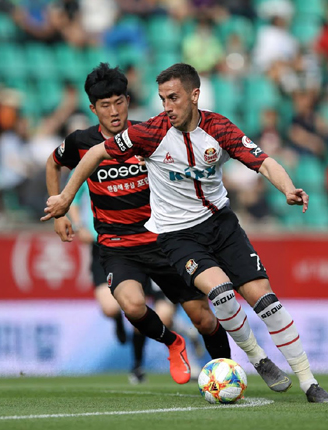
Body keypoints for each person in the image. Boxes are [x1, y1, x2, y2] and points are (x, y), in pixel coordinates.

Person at [42, 63, 328, 403]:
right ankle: (252, 358)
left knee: (260, 299)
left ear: (194, 95)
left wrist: (288, 188)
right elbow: (88, 154)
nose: (166, 106)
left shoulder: (216, 128)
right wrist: (64, 201)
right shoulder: (147, 133)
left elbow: (264, 161)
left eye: (173, 98)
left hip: (218, 226)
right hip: (165, 237)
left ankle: (308, 382)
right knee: (212, 294)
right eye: (162, 99)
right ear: (93, 109)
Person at [44, 63, 233, 385]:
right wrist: (60, 213)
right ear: (93, 108)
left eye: (120, 102)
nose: (114, 111)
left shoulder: (148, 135)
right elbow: (53, 163)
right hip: (118, 246)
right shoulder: (80, 142)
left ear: (128, 101)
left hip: (164, 241)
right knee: (131, 306)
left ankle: (228, 373)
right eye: (105, 105)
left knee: (202, 317)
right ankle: (173, 343)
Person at [68, 181, 176, 384]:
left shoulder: (142, 162)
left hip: (147, 244)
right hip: (104, 244)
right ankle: (118, 320)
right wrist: (78, 225)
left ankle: (137, 365)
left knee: (147, 312)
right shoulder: (90, 162)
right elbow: (71, 197)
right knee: (111, 308)